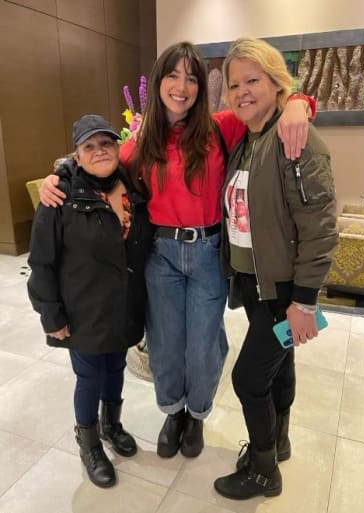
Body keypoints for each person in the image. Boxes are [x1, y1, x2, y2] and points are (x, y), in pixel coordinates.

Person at [38, 42, 315, 460]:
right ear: (160, 82)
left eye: (191, 77)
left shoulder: (221, 127)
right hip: (160, 255)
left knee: (204, 343)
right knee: (165, 343)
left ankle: (197, 413)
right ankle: (173, 411)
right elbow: (96, 162)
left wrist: (298, 103)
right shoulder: (141, 140)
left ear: (201, 86)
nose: (182, 86)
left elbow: (267, 110)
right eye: (173, 75)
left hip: (207, 252)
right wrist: (56, 176)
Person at [212, 37, 338, 501]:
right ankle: (278, 441)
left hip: (283, 289)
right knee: (278, 366)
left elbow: (321, 229)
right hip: (255, 282)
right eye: (234, 83)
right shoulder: (249, 139)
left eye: (253, 80)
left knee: (248, 379)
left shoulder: (294, 138)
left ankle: (264, 470)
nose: (243, 90)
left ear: (275, 82)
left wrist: (305, 302)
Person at [27, 114, 153, 488]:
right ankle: (89, 443)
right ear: (77, 156)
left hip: (123, 304)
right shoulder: (59, 197)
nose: (100, 151)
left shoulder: (130, 185)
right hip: (82, 309)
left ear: (117, 148)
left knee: (115, 367)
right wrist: (51, 315)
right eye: (89, 146)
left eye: (106, 143)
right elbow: (41, 261)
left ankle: (112, 425)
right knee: (90, 375)